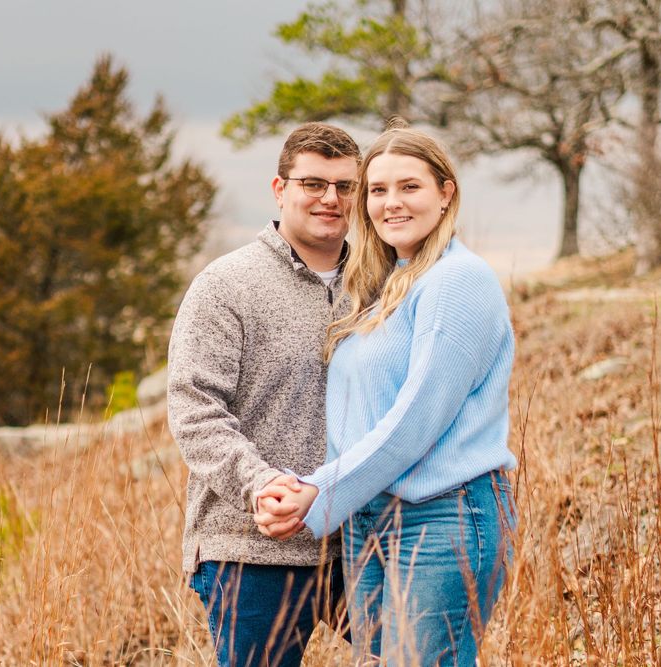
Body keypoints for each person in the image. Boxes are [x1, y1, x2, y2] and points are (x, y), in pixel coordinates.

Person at [254, 123, 517, 667]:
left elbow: (414, 421)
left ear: (446, 193)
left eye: (410, 187)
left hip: (443, 516)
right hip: (371, 520)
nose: (390, 203)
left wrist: (317, 492)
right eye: (377, 190)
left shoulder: (458, 280)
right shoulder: (389, 288)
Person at [166, 122, 360, 666]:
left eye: (346, 186)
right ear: (280, 190)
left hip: (358, 541)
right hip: (250, 548)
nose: (330, 198)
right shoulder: (226, 285)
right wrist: (261, 486)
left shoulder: (378, 285)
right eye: (313, 183)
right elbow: (195, 409)